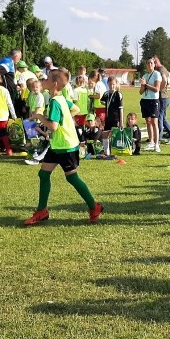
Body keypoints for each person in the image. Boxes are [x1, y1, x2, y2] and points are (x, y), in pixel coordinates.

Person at [23, 68, 103, 226]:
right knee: (44, 174)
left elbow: (52, 126)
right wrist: (64, 119)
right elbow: (76, 109)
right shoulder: (60, 99)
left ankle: (94, 207)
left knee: (72, 178)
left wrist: (40, 117)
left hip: (66, 146)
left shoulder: (54, 102)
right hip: (57, 145)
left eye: (45, 80)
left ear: (53, 84)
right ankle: (42, 211)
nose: (42, 82)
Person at [154, 57, 170, 145]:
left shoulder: (161, 70)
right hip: (165, 98)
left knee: (160, 118)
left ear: (156, 62)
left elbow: (165, 80)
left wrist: (159, 89)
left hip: (163, 98)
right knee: (164, 118)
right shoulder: (163, 69)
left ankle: (159, 138)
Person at [139, 57, 162, 152]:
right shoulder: (145, 75)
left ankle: (157, 144)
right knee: (148, 122)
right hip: (145, 100)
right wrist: (143, 85)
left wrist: (146, 85)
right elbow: (140, 92)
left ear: (154, 64)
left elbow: (157, 89)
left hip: (153, 101)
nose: (149, 65)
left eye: (151, 63)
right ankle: (151, 142)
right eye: (148, 63)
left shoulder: (157, 74)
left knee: (154, 122)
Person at [100, 76, 123, 158]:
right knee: (105, 134)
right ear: (107, 84)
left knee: (114, 135)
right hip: (108, 118)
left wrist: (121, 121)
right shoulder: (106, 94)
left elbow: (121, 109)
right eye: (110, 84)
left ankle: (114, 152)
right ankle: (107, 152)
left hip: (115, 118)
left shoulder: (118, 94)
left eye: (113, 84)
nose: (111, 86)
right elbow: (102, 102)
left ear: (116, 84)